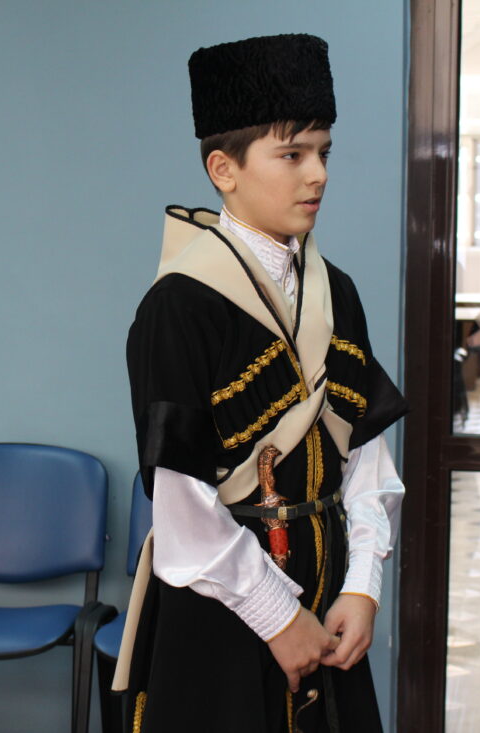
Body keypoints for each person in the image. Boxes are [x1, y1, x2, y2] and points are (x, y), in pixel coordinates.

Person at [115, 33, 409, 733]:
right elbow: (182, 509)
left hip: (330, 608)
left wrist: (363, 586)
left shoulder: (337, 291)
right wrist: (281, 618)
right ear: (224, 168)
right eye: (292, 155)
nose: (318, 175)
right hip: (221, 620)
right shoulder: (178, 305)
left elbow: (365, 463)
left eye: (324, 152)